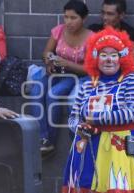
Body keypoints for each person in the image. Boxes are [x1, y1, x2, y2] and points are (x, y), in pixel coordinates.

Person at [61, 27, 134, 193]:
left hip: (119, 148)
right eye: (103, 55)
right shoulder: (88, 84)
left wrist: (96, 119)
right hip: (88, 147)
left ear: (122, 58)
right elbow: (74, 116)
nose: (109, 59)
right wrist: (78, 127)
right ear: (96, 58)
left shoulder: (131, 80)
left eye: (114, 54)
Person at [30, 0, 93, 156]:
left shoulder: (92, 38)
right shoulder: (58, 31)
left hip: (74, 75)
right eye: (66, 17)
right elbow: (46, 52)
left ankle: (50, 140)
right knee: (35, 90)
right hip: (54, 72)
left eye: (73, 18)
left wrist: (68, 64)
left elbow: (90, 69)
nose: (68, 22)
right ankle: (42, 138)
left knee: (54, 94)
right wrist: (49, 61)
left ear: (84, 19)